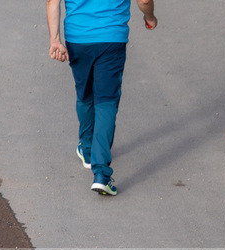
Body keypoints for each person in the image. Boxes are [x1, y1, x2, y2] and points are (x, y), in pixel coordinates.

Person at [47, 0, 158, 196]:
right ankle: (101, 175)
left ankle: (88, 150)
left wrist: (55, 40)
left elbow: (52, 1)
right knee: (106, 102)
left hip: (78, 38)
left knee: (85, 94)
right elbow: (144, 1)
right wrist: (150, 17)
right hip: (111, 38)